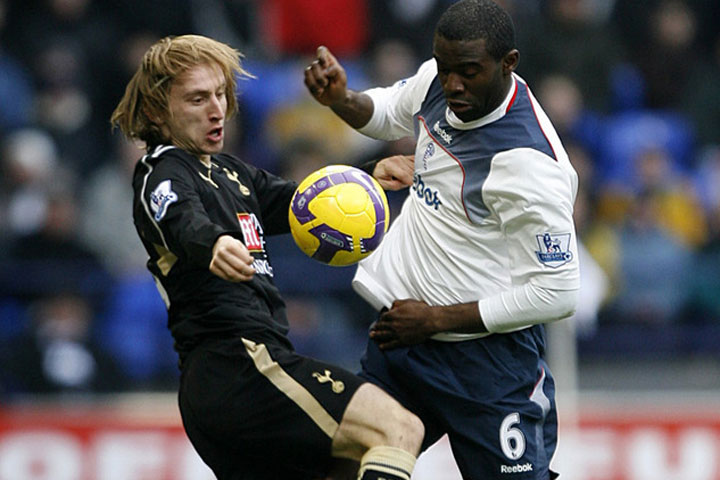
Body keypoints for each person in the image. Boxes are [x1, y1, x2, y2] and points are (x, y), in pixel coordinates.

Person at [110, 34, 423, 480]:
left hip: (238, 381)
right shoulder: (162, 169)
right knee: (397, 428)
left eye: (220, 94)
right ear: (159, 110)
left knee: (346, 465)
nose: (217, 109)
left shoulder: (232, 173)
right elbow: (178, 216)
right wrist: (214, 244)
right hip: (238, 366)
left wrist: (369, 175)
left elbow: (301, 202)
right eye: (198, 99)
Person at [304, 1, 580, 478]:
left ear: (508, 63)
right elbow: (389, 113)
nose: (452, 84)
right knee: (339, 467)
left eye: (468, 72)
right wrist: (341, 99)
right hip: (403, 341)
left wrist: (433, 320)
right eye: (446, 68)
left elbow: (558, 291)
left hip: (489, 366)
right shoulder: (440, 80)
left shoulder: (529, 166)